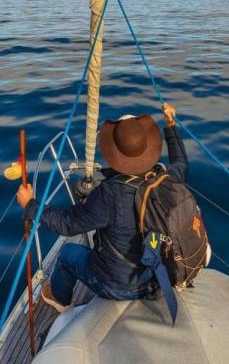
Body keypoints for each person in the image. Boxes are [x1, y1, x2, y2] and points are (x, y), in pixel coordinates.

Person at [16, 102, 188, 312]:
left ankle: (59, 299)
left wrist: (31, 205)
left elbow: (68, 224)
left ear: (114, 152)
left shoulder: (109, 195)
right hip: (157, 276)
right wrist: (170, 124)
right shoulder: (167, 178)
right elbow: (181, 161)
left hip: (119, 286)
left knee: (68, 254)